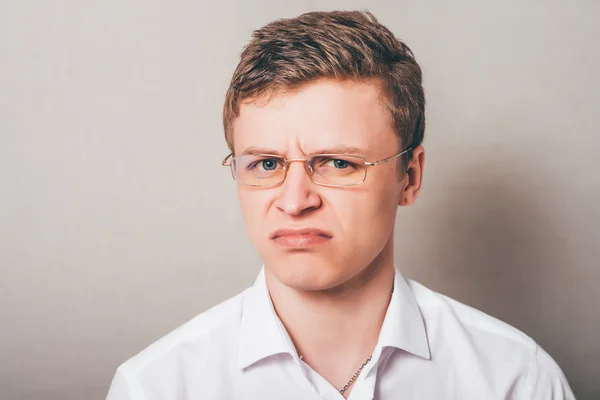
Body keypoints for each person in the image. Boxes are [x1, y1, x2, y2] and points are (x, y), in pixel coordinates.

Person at [106, 10, 575, 400]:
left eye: (336, 163)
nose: (294, 202)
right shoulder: (156, 387)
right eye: (267, 164)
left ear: (409, 178)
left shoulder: (516, 381)